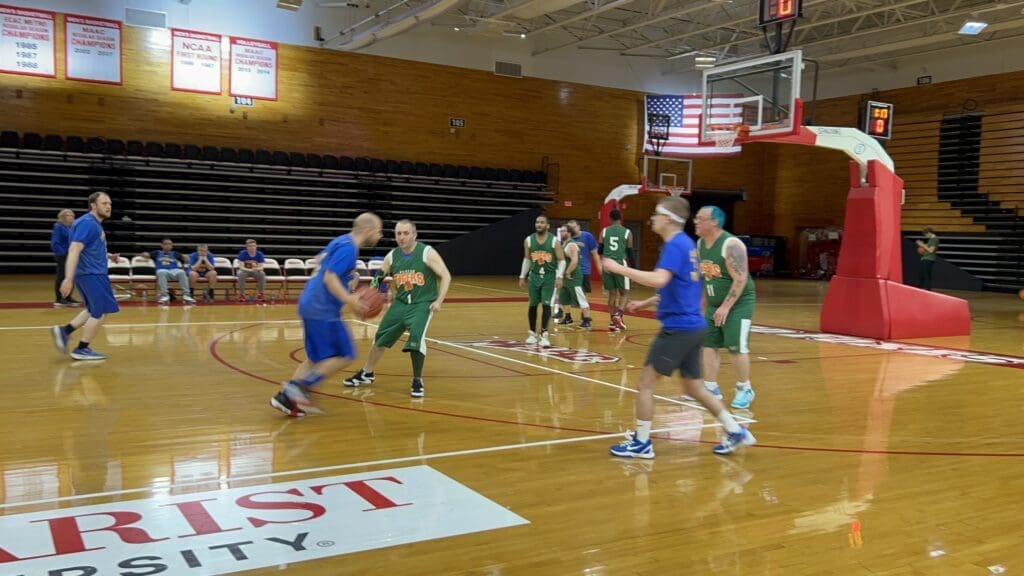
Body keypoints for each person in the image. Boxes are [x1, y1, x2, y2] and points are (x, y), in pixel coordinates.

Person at [602, 197, 755, 458]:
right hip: (693, 325)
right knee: (694, 387)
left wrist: (619, 268)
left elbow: (660, 279)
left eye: (656, 214)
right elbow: (680, 286)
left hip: (678, 328)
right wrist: (647, 303)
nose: (652, 218)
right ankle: (735, 430)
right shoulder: (688, 245)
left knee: (645, 384)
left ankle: (642, 443)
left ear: (668, 219)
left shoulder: (675, 244)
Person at [270, 213, 384, 417]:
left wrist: (348, 278)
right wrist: (350, 300)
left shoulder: (341, 241)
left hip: (309, 303)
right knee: (345, 354)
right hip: (322, 308)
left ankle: (285, 399)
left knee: (314, 359)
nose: (380, 236)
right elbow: (329, 278)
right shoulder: (349, 249)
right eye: (379, 231)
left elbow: (320, 263)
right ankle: (298, 389)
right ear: (368, 231)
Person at [343, 220, 452, 398]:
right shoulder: (392, 256)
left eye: (405, 233)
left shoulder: (427, 252)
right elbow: (379, 277)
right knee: (380, 338)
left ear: (414, 235)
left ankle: (417, 380)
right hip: (400, 303)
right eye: (398, 233)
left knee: (416, 338)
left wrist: (439, 301)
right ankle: (367, 373)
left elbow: (446, 275)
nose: (401, 237)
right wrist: (369, 294)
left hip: (422, 304)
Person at [694, 205, 757, 410]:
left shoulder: (731, 244)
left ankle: (745, 388)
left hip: (738, 303)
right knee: (709, 344)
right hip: (715, 303)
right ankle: (710, 387)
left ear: (714, 222)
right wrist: (702, 306)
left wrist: (726, 307)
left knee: (736, 346)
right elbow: (707, 278)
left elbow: (740, 279)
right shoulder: (700, 244)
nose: (695, 222)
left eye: (700, 218)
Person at [51, 191, 122, 361]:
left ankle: (65, 331)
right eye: (104, 203)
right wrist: (68, 278)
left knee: (92, 309)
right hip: (92, 274)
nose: (108, 206)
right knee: (101, 311)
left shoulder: (89, 223)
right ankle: (82, 349)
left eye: (110, 204)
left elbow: (88, 247)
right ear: (93, 205)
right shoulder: (89, 223)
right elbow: (75, 248)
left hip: (90, 273)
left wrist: (108, 255)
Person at [518, 215, 565, 347]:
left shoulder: (554, 241)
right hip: (534, 277)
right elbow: (527, 259)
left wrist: (560, 276)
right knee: (532, 305)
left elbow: (562, 260)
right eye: (537, 222)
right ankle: (532, 333)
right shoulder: (529, 240)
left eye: (542, 222)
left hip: (549, 277)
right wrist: (522, 276)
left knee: (546, 305)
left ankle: (544, 335)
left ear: (547, 225)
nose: (539, 224)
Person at [555, 225, 592, 328]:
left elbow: (574, 261)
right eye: (561, 231)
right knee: (564, 298)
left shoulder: (571, 245)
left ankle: (586, 319)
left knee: (580, 298)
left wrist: (568, 272)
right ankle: (568, 318)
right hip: (565, 278)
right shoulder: (564, 244)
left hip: (573, 277)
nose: (561, 233)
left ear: (569, 233)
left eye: (563, 231)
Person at [601, 209, 631, 331]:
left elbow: (599, 250)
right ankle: (619, 315)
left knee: (612, 293)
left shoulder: (604, 231)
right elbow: (630, 253)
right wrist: (633, 270)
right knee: (625, 293)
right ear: (620, 218)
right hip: (620, 264)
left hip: (607, 264)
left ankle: (612, 321)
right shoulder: (627, 232)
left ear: (610, 218)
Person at [140, 238, 196, 305]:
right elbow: (145, 255)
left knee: (182, 272)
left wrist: (186, 257)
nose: (168, 245)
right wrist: (145, 254)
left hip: (174, 270)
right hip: (162, 270)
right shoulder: (157, 253)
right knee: (161, 272)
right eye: (166, 244)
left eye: (170, 244)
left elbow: (186, 259)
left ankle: (186, 295)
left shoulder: (175, 253)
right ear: (162, 245)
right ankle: (165, 296)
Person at [51, 208, 81, 308]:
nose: (71, 217)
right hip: (63, 255)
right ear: (63, 217)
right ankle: (59, 298)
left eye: (72, 215)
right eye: (68, 215)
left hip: (71, 255)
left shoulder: (71, 228)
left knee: (70, 276)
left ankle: (67, 297)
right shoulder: (59, 227)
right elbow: (55, 243)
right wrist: (62, 253)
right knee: (61, 276)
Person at [237, 239, 267, 303]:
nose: (252, 247)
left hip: (255, 271)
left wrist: (256, 269)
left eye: (253, 246)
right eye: (250, 246)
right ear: (247, 247)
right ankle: (242, 294)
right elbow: (241, 267)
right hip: (245, 270)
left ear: (256, 246)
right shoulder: (242, 253)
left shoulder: (259, 254)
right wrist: (250, 270)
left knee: (262, 274)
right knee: (240, 274)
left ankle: (261, 294)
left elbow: (261, 267)